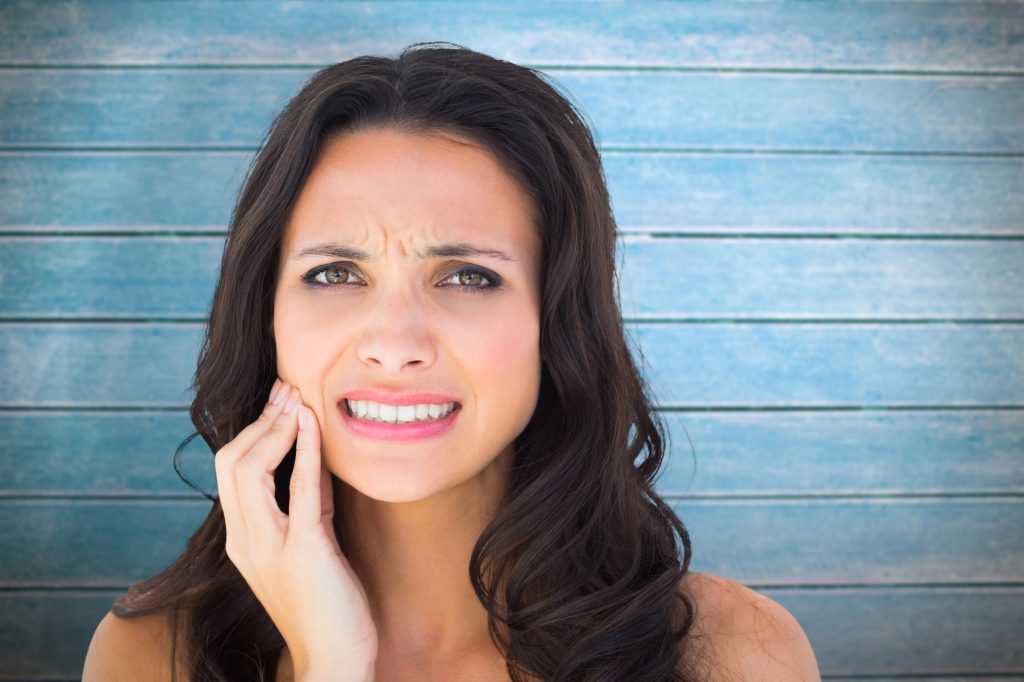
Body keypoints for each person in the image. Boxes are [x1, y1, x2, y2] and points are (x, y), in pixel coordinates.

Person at [82, 42, 820, 681]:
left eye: (468, 276)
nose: (395, 342)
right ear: (265, 315)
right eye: (336, 273)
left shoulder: (731, 653)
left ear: (556, 323)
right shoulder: (148, 655)